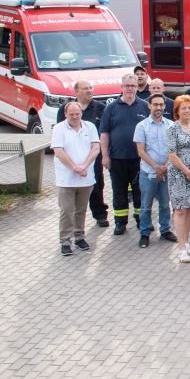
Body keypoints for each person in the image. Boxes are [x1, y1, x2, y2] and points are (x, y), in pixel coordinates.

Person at [100, 73, 149, 234]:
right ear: (121, 87)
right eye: (127, 86)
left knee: (140, 191)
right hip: (117, 158)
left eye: (133, 86)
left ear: (137, 87)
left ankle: (141, 220)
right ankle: (120, 222)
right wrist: (105, 156)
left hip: (139, 159)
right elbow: (104, 134)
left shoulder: (144, 106)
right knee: (119, 191)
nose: (130, 89)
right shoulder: (111, 108)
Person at [55, 79, 108, 227]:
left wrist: (103, 154)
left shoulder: (100, 108)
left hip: (92, 156)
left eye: (91, 88)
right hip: (70, 158)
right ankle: (71, 221)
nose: (89, 91)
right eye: (85, 88)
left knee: (97, 185)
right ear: (76, 91)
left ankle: (100, 214)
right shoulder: (64, 109)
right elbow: (61, 131)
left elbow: (103, 132)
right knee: (71, 190)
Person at [51, 102, 101, 256]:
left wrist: (84, 166)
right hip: (66, 179)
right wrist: (75, 167)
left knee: (81, 210)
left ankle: (79, 236)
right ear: (65, 114)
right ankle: (65, 241)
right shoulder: (59, 128)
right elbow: (59, 151)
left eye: (77, 114)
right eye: (71, 114)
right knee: (66, 211)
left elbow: (96, 148)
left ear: (81, 113)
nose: (74, 117)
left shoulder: (90, 127)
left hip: (86, 178)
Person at [166, 96, 190, 264]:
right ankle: (181, 248)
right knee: (180, 209)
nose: (187, 111)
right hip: (178, 174)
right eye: (184, 108)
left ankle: (187, 241)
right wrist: (187, 171)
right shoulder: (172, 129)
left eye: (189, 108)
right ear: (177, 111)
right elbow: (172, 154)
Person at [134, 94, 177, 248]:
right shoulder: (141, 126)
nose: (158, 107)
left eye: (161, 104)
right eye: (155, 104)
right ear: (149, 106)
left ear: (164, 106)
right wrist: (156, 167)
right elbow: (141, 151)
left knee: (165, 204)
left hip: (166, 172)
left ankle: (165, 230)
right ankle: (145, 233)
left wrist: (164, 166)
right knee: (146, 205)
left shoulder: (171, 125)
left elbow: (173, 149)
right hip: (148, 172)